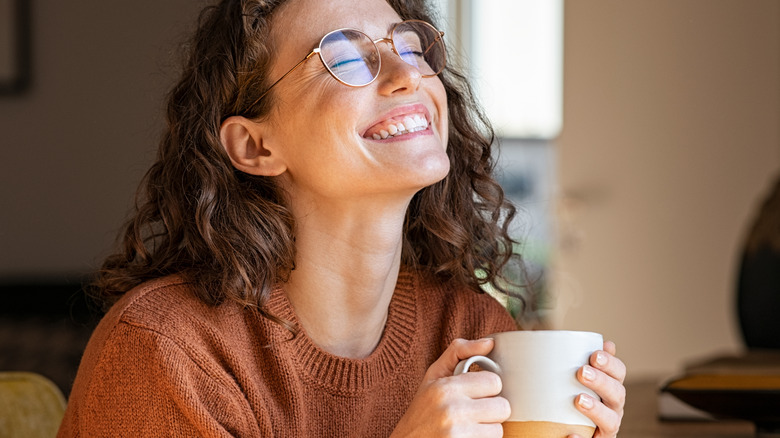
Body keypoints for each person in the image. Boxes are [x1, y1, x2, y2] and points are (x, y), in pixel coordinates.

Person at [58, 0, 626, 436]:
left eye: (410, 45)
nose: (408, 75)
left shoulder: (470, 330)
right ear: (256, 147)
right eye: (346, 58)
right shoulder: (169, 352)